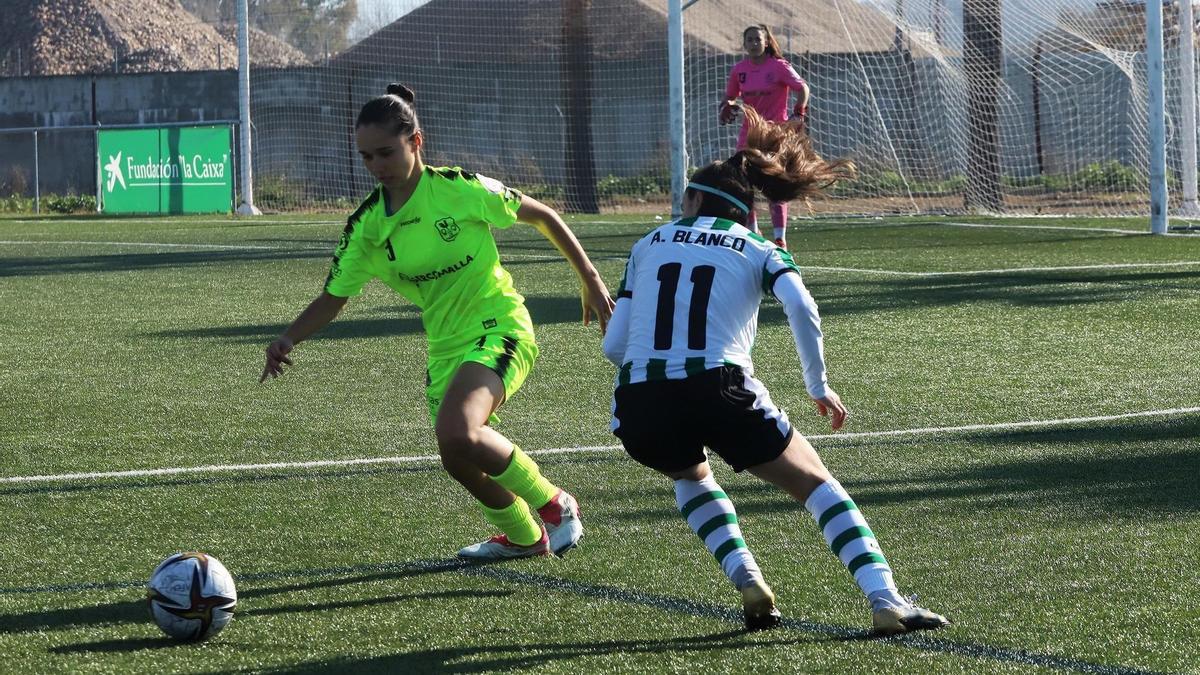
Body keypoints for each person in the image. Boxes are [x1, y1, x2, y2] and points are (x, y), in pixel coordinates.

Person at [601, 108, 949, 635]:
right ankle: (885, 599)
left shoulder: (646, 245)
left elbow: (614, 346)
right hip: (719, 385)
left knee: (691, 477)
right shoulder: (760, 247)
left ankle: (746, 576)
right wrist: (818, 385)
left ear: (694, 199)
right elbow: (802, 306)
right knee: (818, 486)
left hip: (640, 402)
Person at [261, 83, 614, 561]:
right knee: (456, 456)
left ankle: (555, 503)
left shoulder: (457, 189)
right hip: (447, 345)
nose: (376, 166)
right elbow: (333, 298)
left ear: (416, 141)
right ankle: (524, 537)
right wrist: (287, 338)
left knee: (457, 431)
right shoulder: (368, 226)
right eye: (366, 157)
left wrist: (590, 280)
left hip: (500, 323)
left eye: (386, 152)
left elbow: (543, 215)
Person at [720, 24, 811, 250]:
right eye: (749, 40)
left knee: (774, 185)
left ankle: (780, 238)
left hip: (774, 135)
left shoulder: (779, 67)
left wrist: (799, 112)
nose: (753, 44)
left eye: (757, 40)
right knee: (744, 184)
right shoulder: (739, 70)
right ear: (744, 44)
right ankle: (753, 232)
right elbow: (730, 97)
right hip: (748, 136)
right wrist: (727, 106)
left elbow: (802, 88)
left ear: (767, 42)